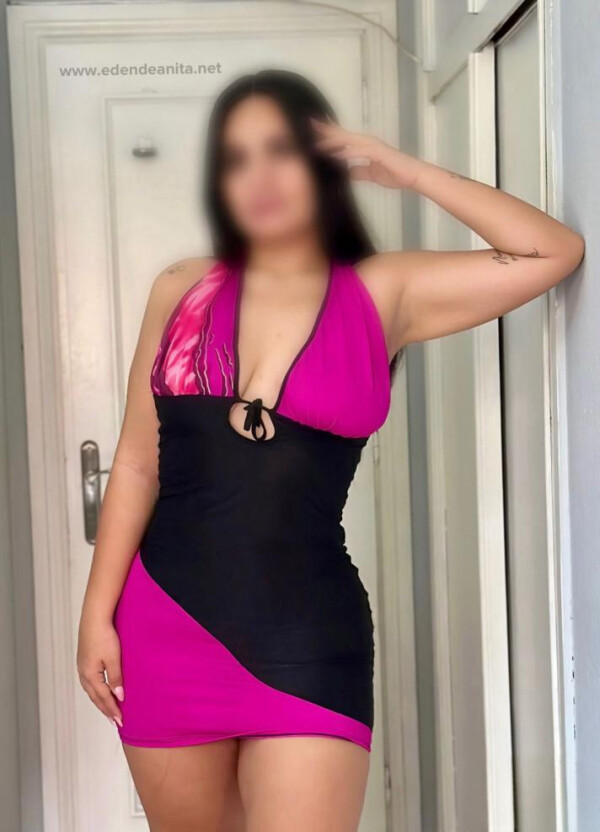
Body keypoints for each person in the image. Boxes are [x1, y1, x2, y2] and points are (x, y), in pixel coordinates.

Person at [76, 69, 584, 832]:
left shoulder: (383, 292)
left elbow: (553, 252)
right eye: (237, 158)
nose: (260, 175)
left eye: (281, 149)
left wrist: (406, 171)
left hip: (307, 639)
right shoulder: (179, 288)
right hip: (164, 628)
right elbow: (138, 463)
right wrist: (96, 614)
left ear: (324, 162)